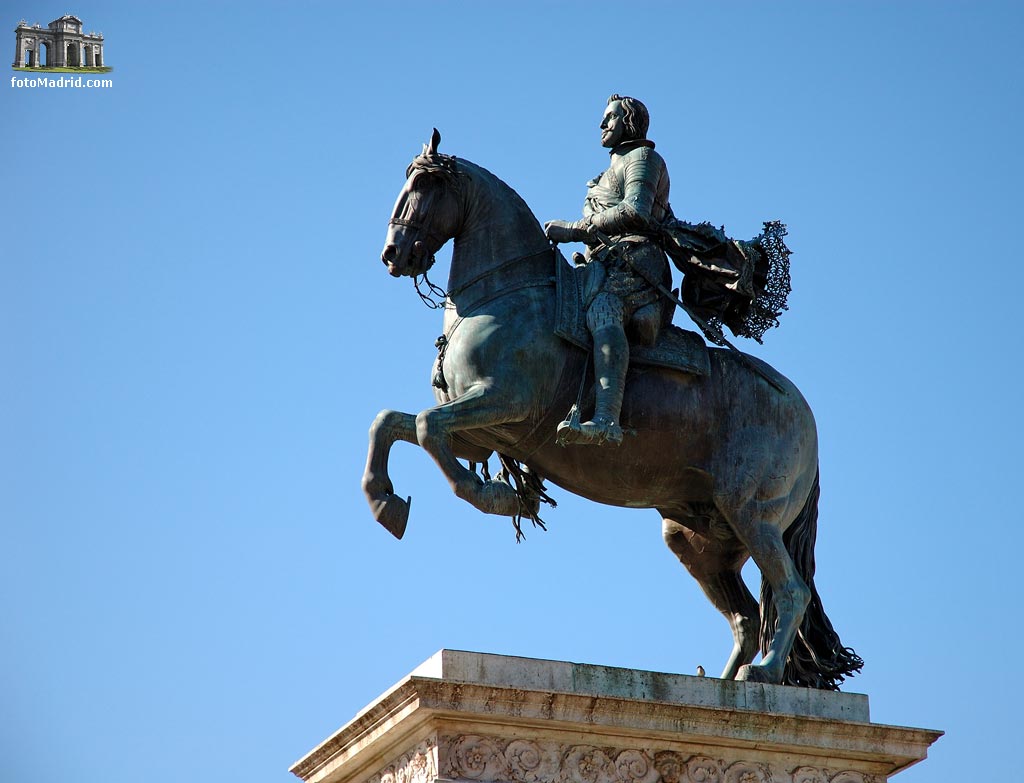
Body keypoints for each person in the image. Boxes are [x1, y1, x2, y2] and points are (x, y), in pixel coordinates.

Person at [545, 94, 672, 446]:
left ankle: (606, 420)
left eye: (611, 117)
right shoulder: (603, 174)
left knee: (604, 310)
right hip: (602, 261)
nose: (602, 125)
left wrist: (574, 230)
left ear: (628, 123)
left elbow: (636, 212)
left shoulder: (643, 159)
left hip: (637, 260)